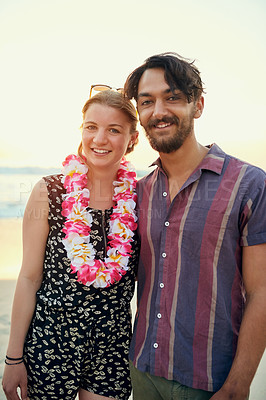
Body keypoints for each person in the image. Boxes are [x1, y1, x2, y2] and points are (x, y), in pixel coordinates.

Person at [123, 52, 266, 400]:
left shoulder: (249, 184)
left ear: (197, 105)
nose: (158, 111)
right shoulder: (138, 192)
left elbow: (262, 291)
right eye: (147, 102)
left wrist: (239, 383)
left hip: (209, 382)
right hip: (141, 370)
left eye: (172, 97)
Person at [2, 89, 139, 400]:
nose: (99, 139)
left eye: (113, 130)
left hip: (112, 345)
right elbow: (28, 277)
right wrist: (13, 357)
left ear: (132, 139)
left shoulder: (141, 198)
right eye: (91, 127)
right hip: (51, 341)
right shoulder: (49, 191)